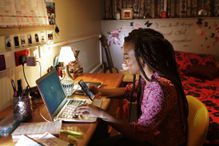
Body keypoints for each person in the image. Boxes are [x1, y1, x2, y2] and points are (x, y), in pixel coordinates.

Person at [75, 28, 188, 146]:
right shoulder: (150, 77)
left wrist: (101, 113)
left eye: (127, 57)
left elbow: (139, 133)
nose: (124, 62)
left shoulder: (159, 89)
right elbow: (131, 91)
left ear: (142, 59)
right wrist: (100, 91)